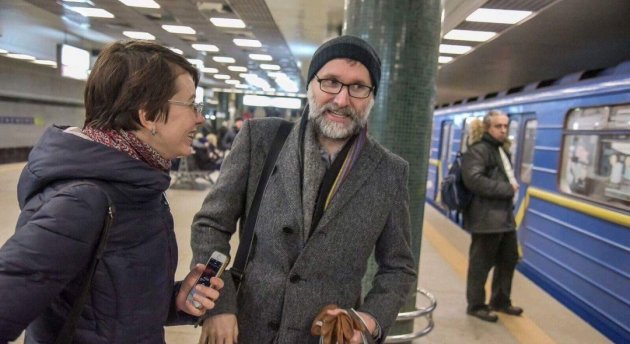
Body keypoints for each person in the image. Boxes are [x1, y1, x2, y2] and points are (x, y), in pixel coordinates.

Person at [191, 35, 416, 344]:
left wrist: (368, 321)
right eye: (331, 82)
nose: (341, 99)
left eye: (358, 87)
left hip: (324, 335)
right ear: (311, 85)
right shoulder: (261, 139)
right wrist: (217, 304)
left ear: (372, 96)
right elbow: (211, 226)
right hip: (244, 328)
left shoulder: (389, 171)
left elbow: (399, 267)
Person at [0, 40, 224, 343]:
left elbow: (109, 306)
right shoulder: (84, 200)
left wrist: (175, 302)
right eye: (192, 104)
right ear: (148, 116)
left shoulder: (138, 186)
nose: (200, 118)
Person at [461, 110, 523, 323]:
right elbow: (474, 180)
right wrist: (507, 189)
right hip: (486, 219)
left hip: (504, 218)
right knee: (481, 264)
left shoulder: (501, 150)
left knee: (509, 259)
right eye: (498, 126)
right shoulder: (478, 151)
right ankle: (476, 305)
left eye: (506, 126)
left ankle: (501, 301)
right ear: (487, 128)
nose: (503, 130)